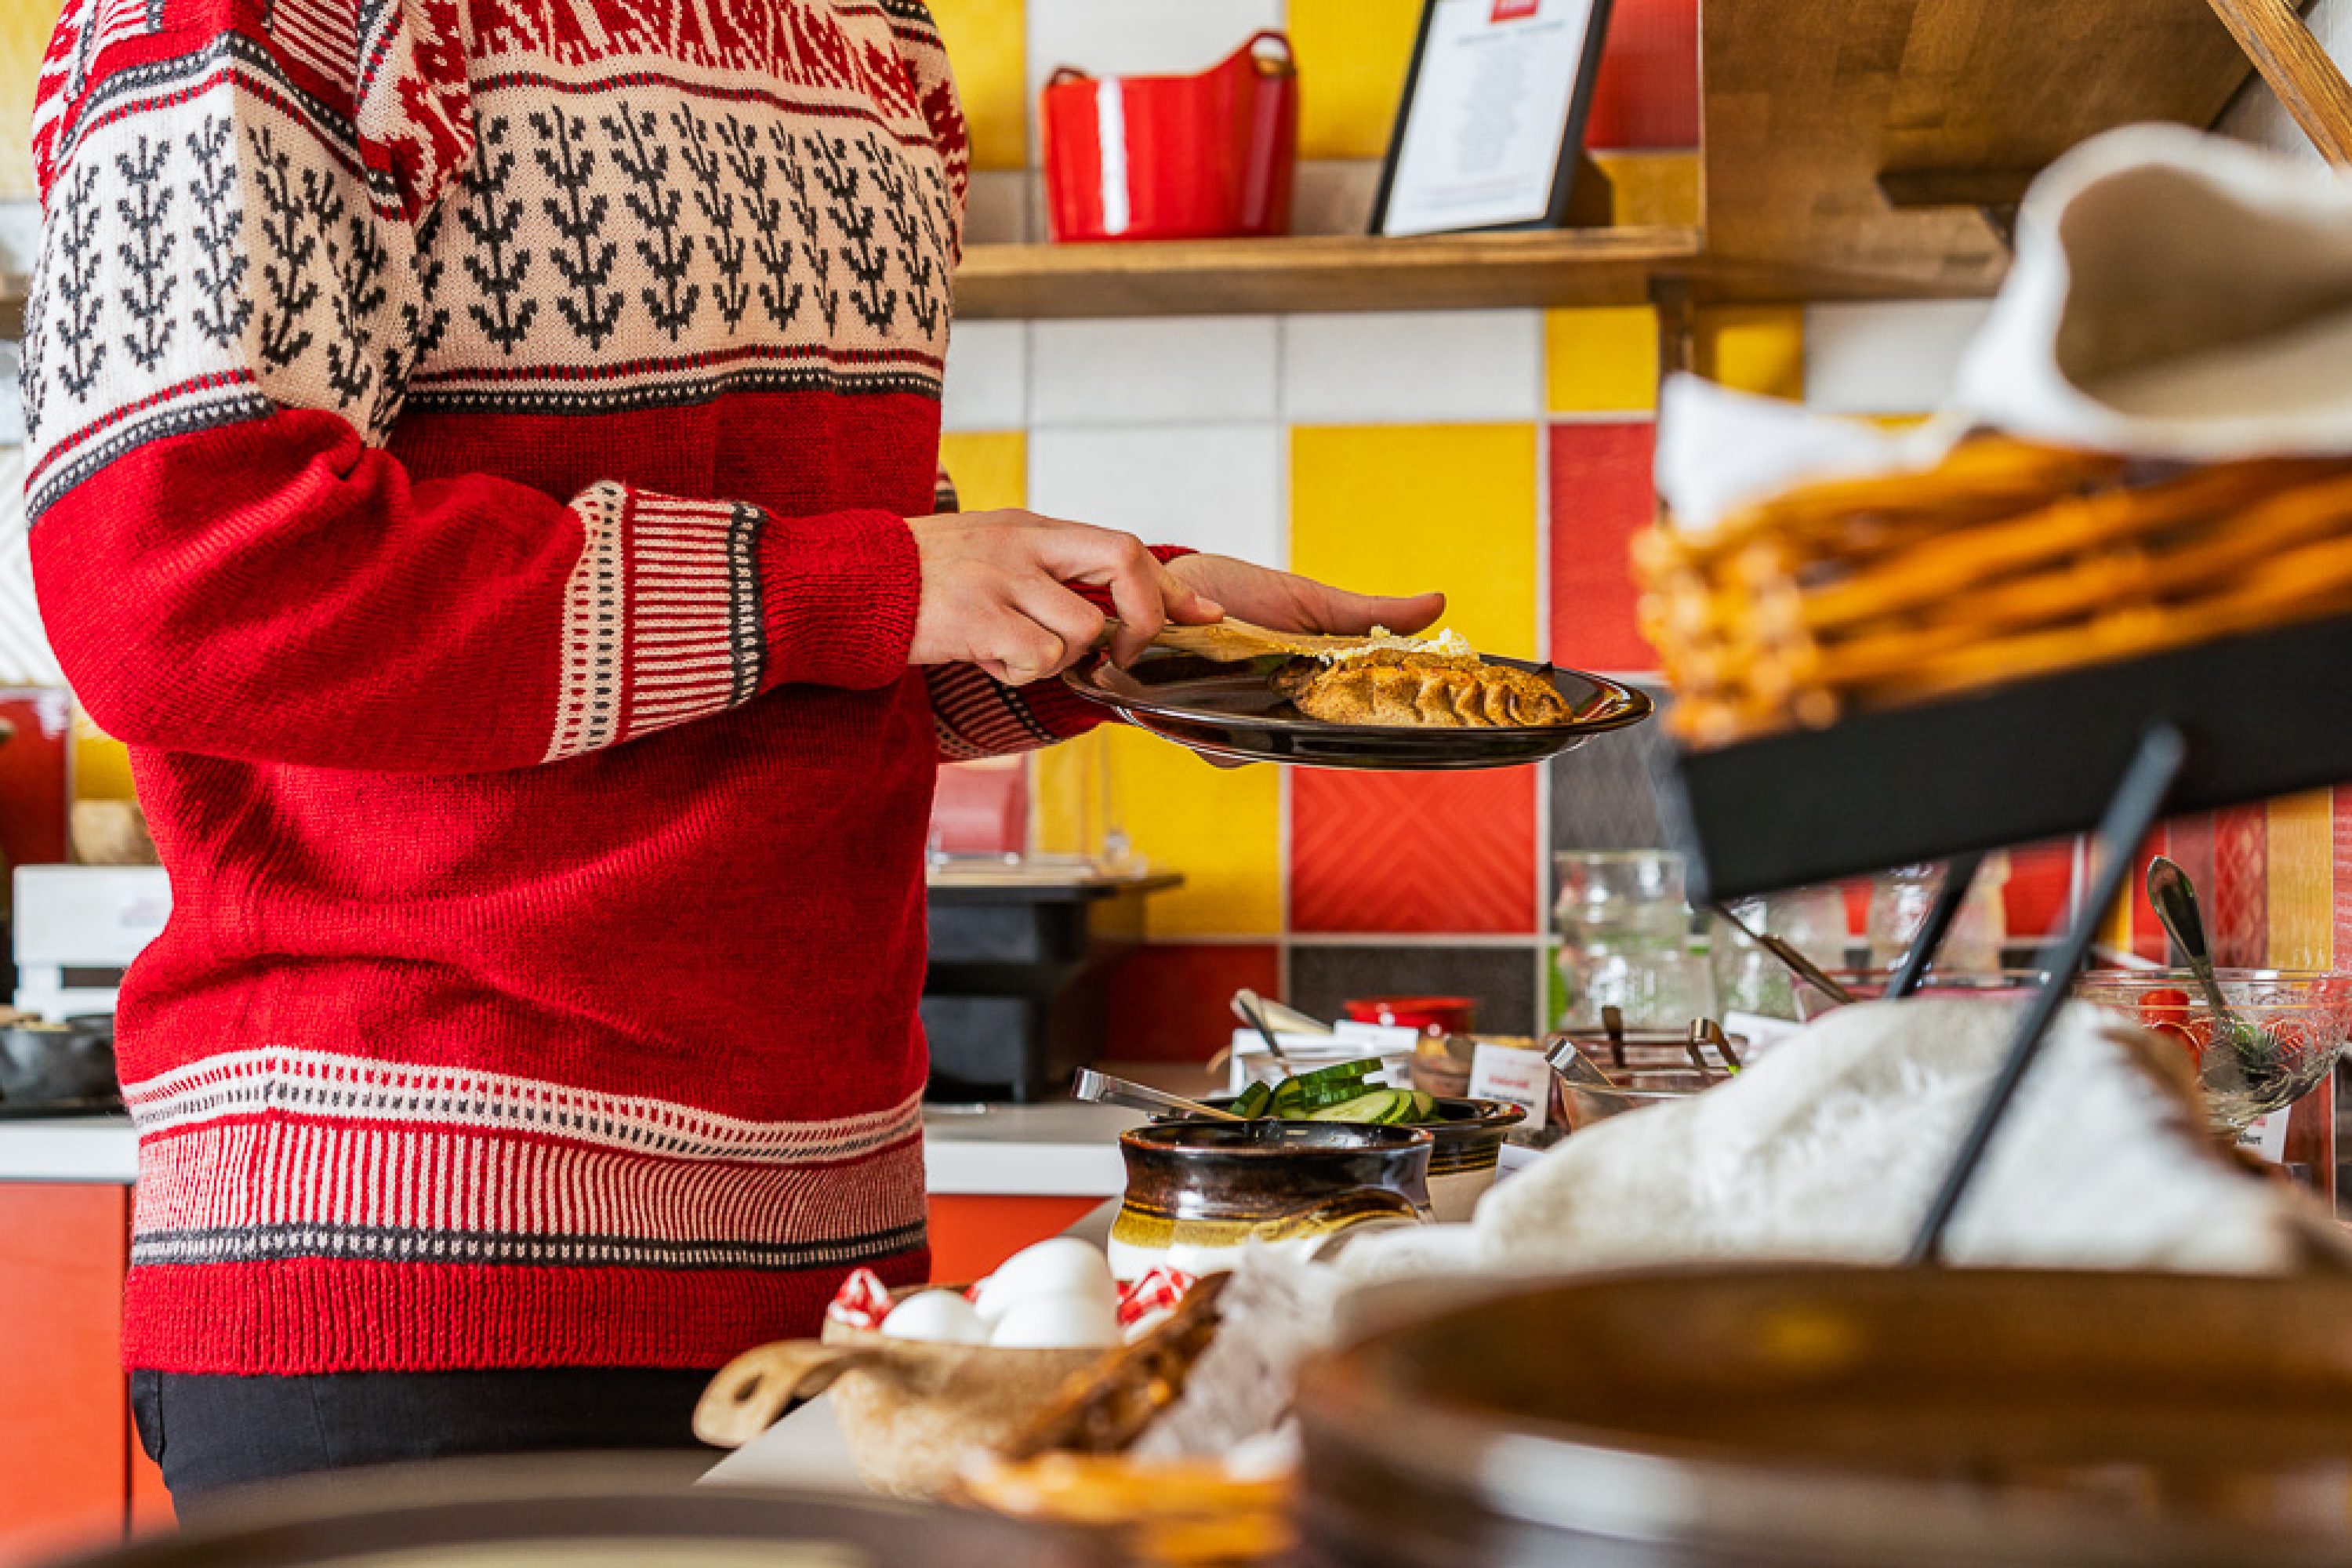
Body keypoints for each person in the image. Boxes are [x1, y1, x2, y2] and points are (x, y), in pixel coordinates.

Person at [21, 0, 1440, 1504]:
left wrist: (1142, 641)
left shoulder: (874, 38)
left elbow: (811, 640)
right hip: (417, 1262)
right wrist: (868, 586)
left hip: (823, 1257)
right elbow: (177, 577)